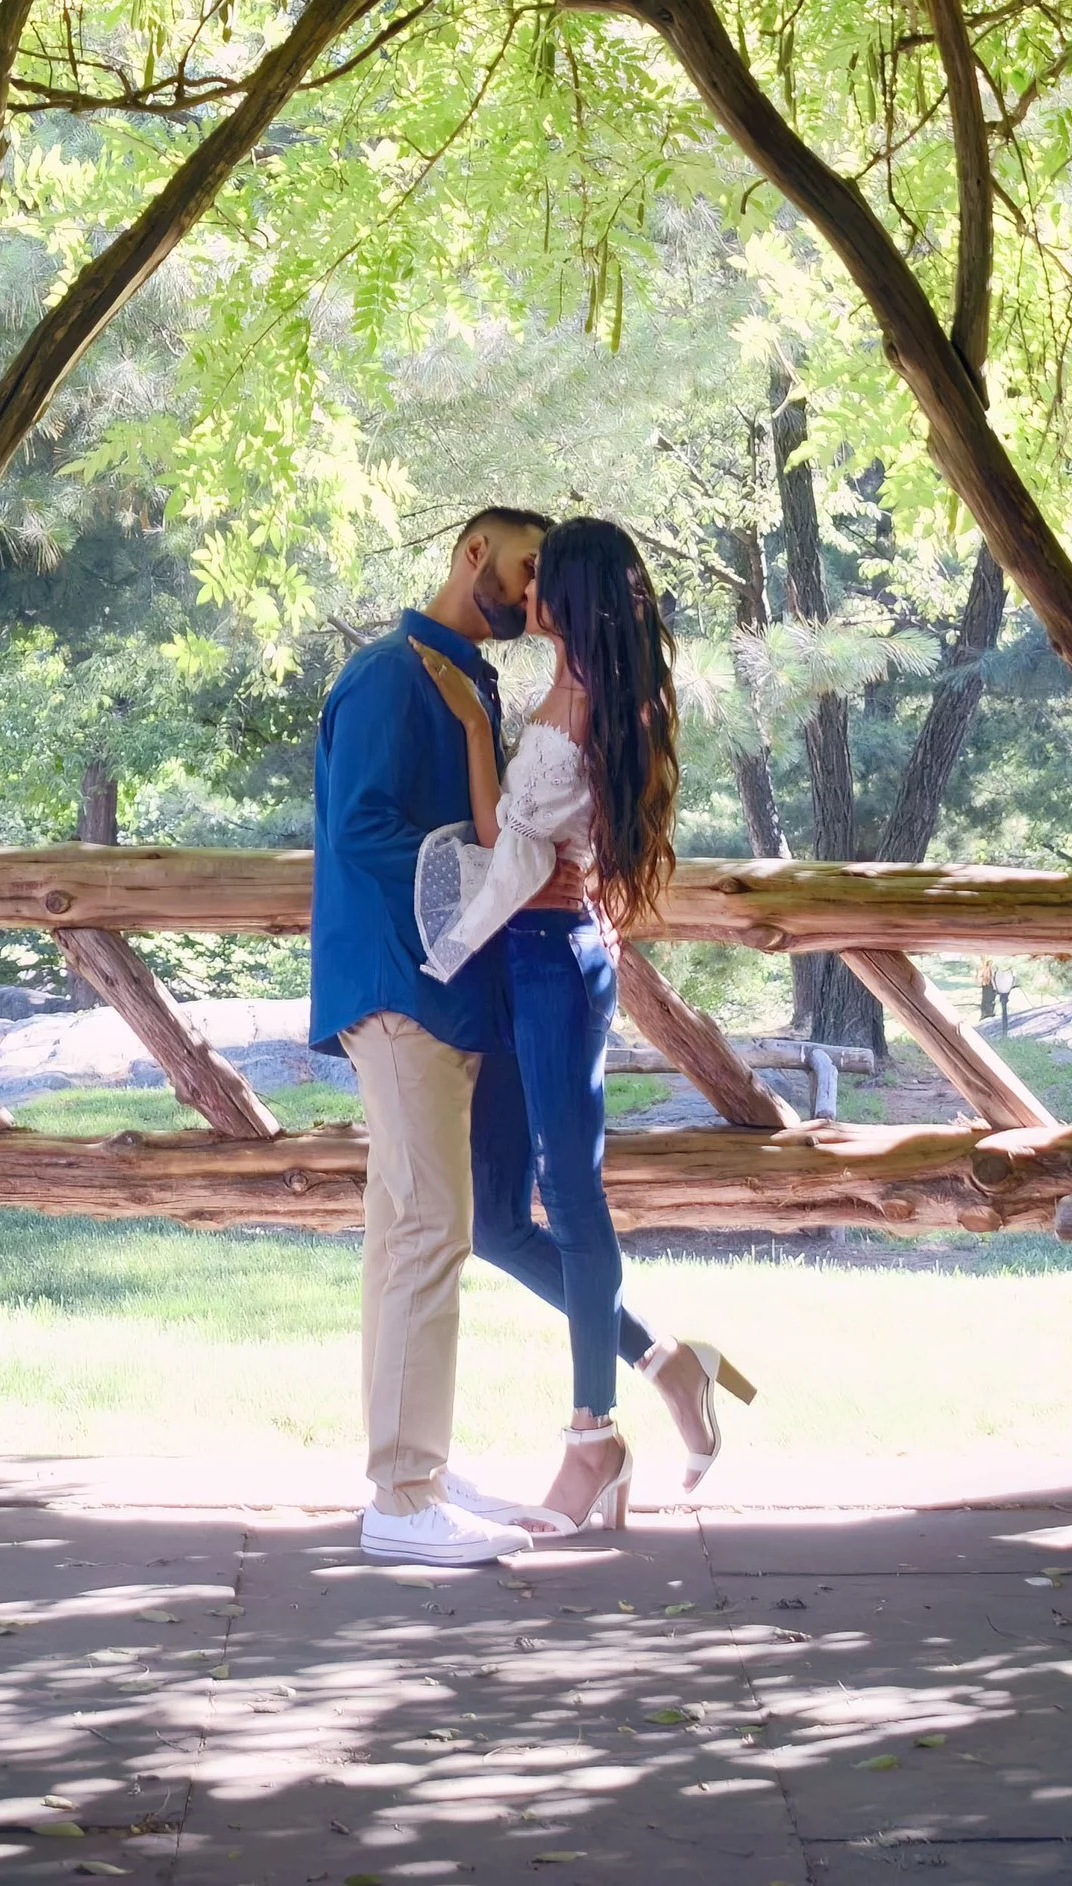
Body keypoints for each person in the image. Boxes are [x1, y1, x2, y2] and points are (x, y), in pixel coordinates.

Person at [421, 515, 754, 1534]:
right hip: (538, 963)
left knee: (569, 1201)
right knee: (494, 1218)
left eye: (538, 582)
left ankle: (591, 1441)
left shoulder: (580, 707)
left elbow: (503, 844)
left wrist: (476, 734)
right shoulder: (581, 697)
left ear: (567, 599)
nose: (523, 598)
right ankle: (665, 1362)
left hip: (556, 964)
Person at [310, 506, 551, 1566]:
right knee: (426, 1234)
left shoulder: (470, 682)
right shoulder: (385, 676)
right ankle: (401, 1501)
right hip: (401, 992)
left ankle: (418, 1473)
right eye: (525, 570)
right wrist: (487, 876)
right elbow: (359, 829)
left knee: (413, 1235)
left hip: (444, 994)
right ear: (472, 557)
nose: (536, 596)